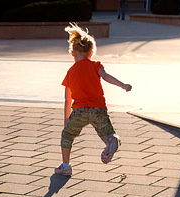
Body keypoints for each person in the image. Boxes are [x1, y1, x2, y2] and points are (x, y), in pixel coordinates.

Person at [55, 24, 132, 177]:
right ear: (90, 53)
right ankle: (113, 140)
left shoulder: (70, 72)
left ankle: (65, 166)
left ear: (73, 53)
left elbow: (67, 99)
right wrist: (123, 85)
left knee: (67, 135)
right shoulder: (95, 65)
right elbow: (106, 76)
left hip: (79, 110)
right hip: (98, 109)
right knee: (107, 134)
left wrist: (66, 119)